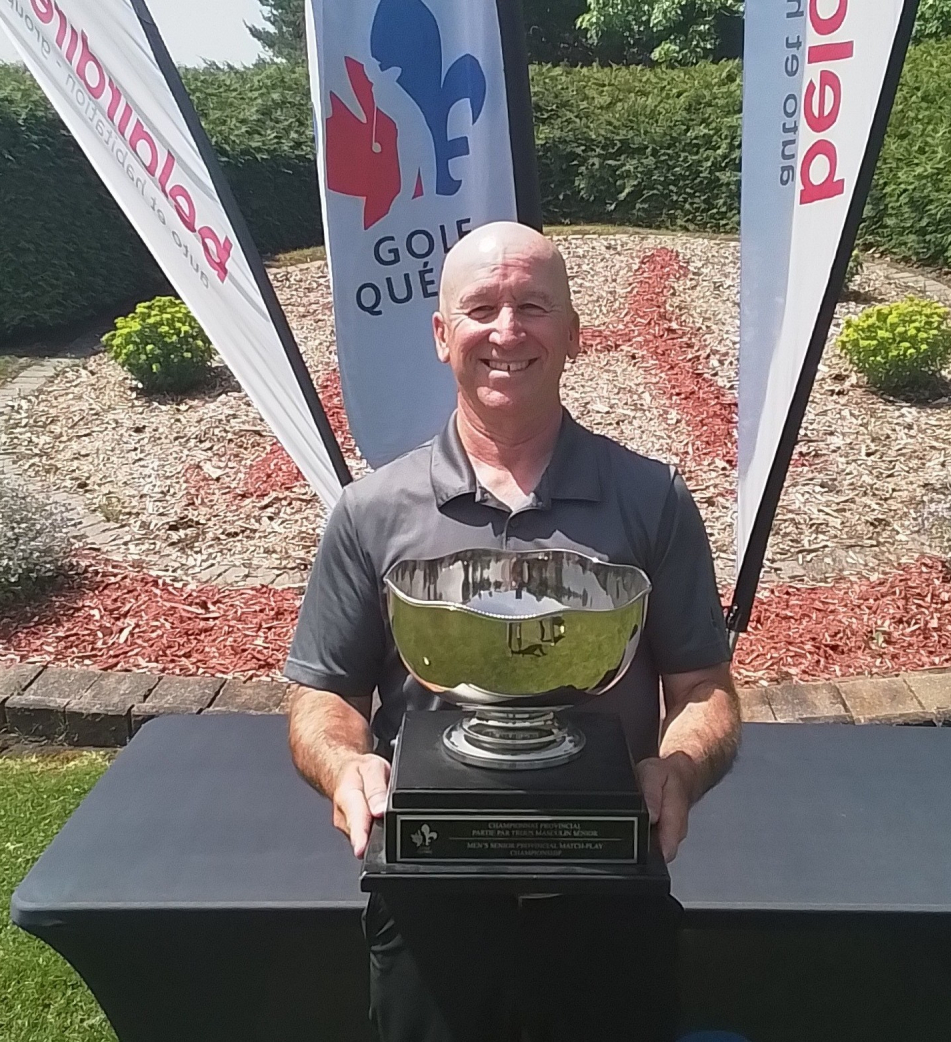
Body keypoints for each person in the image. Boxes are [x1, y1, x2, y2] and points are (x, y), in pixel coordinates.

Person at [284, 221, 740, 1042]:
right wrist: (344, 765)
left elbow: (705, 688)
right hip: (432, 910)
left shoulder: (652, 498)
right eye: (481, 308)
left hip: (607, 900)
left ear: (573, 333)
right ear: (441, 334)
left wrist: (679, 768)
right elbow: (326, 694)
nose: (506, 331)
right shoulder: (371, 511)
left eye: (533, 306)